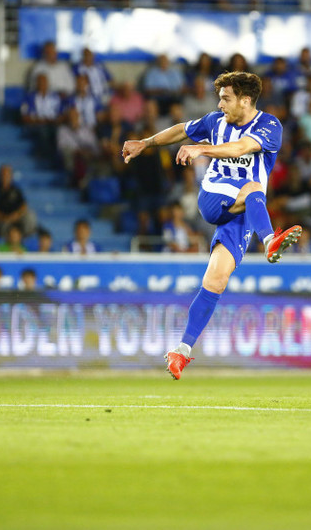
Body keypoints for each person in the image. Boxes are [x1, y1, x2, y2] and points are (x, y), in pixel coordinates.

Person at [121, 71, 301, 380]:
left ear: (245, 101)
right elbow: (181, 130)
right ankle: (270, 239)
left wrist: (201, 149)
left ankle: (181, 351)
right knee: (255, 189)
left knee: (216, 281)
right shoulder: (216, 122)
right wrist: (146, 143)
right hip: (214, 197)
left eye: (226, 99)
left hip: (244, 213)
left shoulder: (269, 125)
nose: (219, 105)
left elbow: (241, 148)